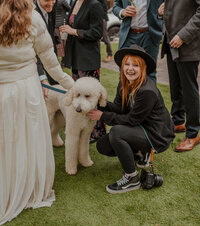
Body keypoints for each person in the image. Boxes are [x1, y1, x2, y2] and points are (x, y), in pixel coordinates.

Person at [0, 0, 74, 224]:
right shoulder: (33, 17)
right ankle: (30, 186)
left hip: (3, 90)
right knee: (28, 138)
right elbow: (51, 64)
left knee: (6, 140)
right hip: (27, 89)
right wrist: (72, 85)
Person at [88, 44, 174, 194]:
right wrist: (100, 103)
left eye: (135, 65)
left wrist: (102, 116)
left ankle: (132, 178)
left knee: (117, 132)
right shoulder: (124, 83)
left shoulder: (147, 91)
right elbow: (119, 108)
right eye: (127, 64)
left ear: (143, 68)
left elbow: (131, 120)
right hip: (140, 127)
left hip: (156, 133)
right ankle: (139, 151)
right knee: (103, 146)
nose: (130, 68)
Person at [59, 0, 106, 143]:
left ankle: (98, 131)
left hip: (88, 59)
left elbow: (97, 33)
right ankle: (83, 128)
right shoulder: (74, 2)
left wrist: (73, 31)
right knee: (79, 97)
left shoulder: (95, 4)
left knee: (91, 98)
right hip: (76, 57)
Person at [158, 1, 200, 152]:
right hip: (171, 44)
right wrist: (160, 12)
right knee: (175, 87)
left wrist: (183, 35)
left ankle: (193, 133)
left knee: (189, 91)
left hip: (187, 44)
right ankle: (178, 121)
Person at [112, 0, 163, 83]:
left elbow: (167, 7)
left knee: (149, 73)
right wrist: (123, 12)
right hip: (128, 36)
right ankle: (124, 96)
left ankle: (149, 96)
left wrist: (161, 18)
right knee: (124, 72)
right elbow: (116, 6)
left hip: (149, 36)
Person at [34, 0, 59, 90]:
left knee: (56, 84)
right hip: (35, 58)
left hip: (49, 52)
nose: (51, 3)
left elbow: (50, 32)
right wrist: (42, 77)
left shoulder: (52, 7)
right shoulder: (31, 13)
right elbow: (33, 50)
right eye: (46, 0)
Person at [55, 0, 71, 65]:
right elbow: (69, 8)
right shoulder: (62, 1)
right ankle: (63, 62)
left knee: (57, 43)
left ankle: (57, 60)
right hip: (62, 24)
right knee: (63, 43)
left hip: (55, 25)